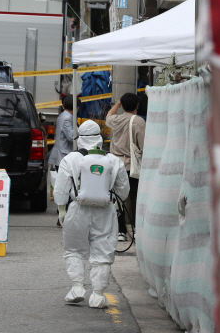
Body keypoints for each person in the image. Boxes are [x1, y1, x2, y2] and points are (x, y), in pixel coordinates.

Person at [54, 120, 129, 309]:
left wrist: (62, 210)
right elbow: (123, 190)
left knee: (73, 249)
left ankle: (77, 288)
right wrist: (116, 204)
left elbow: (60, 190)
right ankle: (97, 295)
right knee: (103, 253)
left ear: (80, 139)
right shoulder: (113, 160)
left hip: (77, 209)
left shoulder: (69, 159)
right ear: (99, 138)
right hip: (104, 210)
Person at [106, 93, 146, 241]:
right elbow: (143, 146)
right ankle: (135, 229)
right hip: (132, 166)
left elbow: (109, 115)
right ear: (137, 105)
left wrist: (118, 103)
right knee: (135, 197)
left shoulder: (115, 120)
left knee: (118, 197)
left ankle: (120, 231)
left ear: (122, 105)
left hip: (115, 165)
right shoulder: (139, 122)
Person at [48, 94, 80, 226]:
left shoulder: (62, 116)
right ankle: (63, 217)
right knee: (68, 186)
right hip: (64, 155)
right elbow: (72, 137)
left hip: (61, 154)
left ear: (63, 106)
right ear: (77, 107)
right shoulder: (68, 119)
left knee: (64, 185)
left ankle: (63, 216)